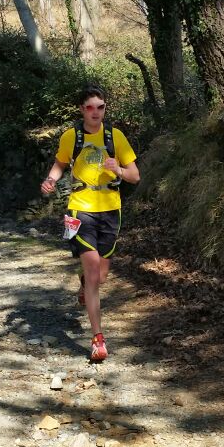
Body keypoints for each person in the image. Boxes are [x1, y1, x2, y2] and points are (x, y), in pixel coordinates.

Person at [41, 85, 140, 362]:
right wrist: (50, 180)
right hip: (80, 209)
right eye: (89, 107)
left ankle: (85, 284)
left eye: (100, 107)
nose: (95, 112)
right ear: (81, 110)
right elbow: (60, 164)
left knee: (100, 277)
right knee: (95, 271)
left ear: (105, 108)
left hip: (110, 209)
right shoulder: (71, 137)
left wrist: (118, 169)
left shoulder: (115, 137)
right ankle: (98, 339)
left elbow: (135, 176)